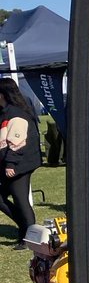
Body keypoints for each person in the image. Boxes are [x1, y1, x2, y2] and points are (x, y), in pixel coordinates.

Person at [0, 77, 43, 248]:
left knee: (21, 199)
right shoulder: (4, 112)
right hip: (8, 164)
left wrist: (11, 164)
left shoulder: (17, 114)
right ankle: (24, 227)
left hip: (19, 165)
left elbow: (18, 142)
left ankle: (30, 236)